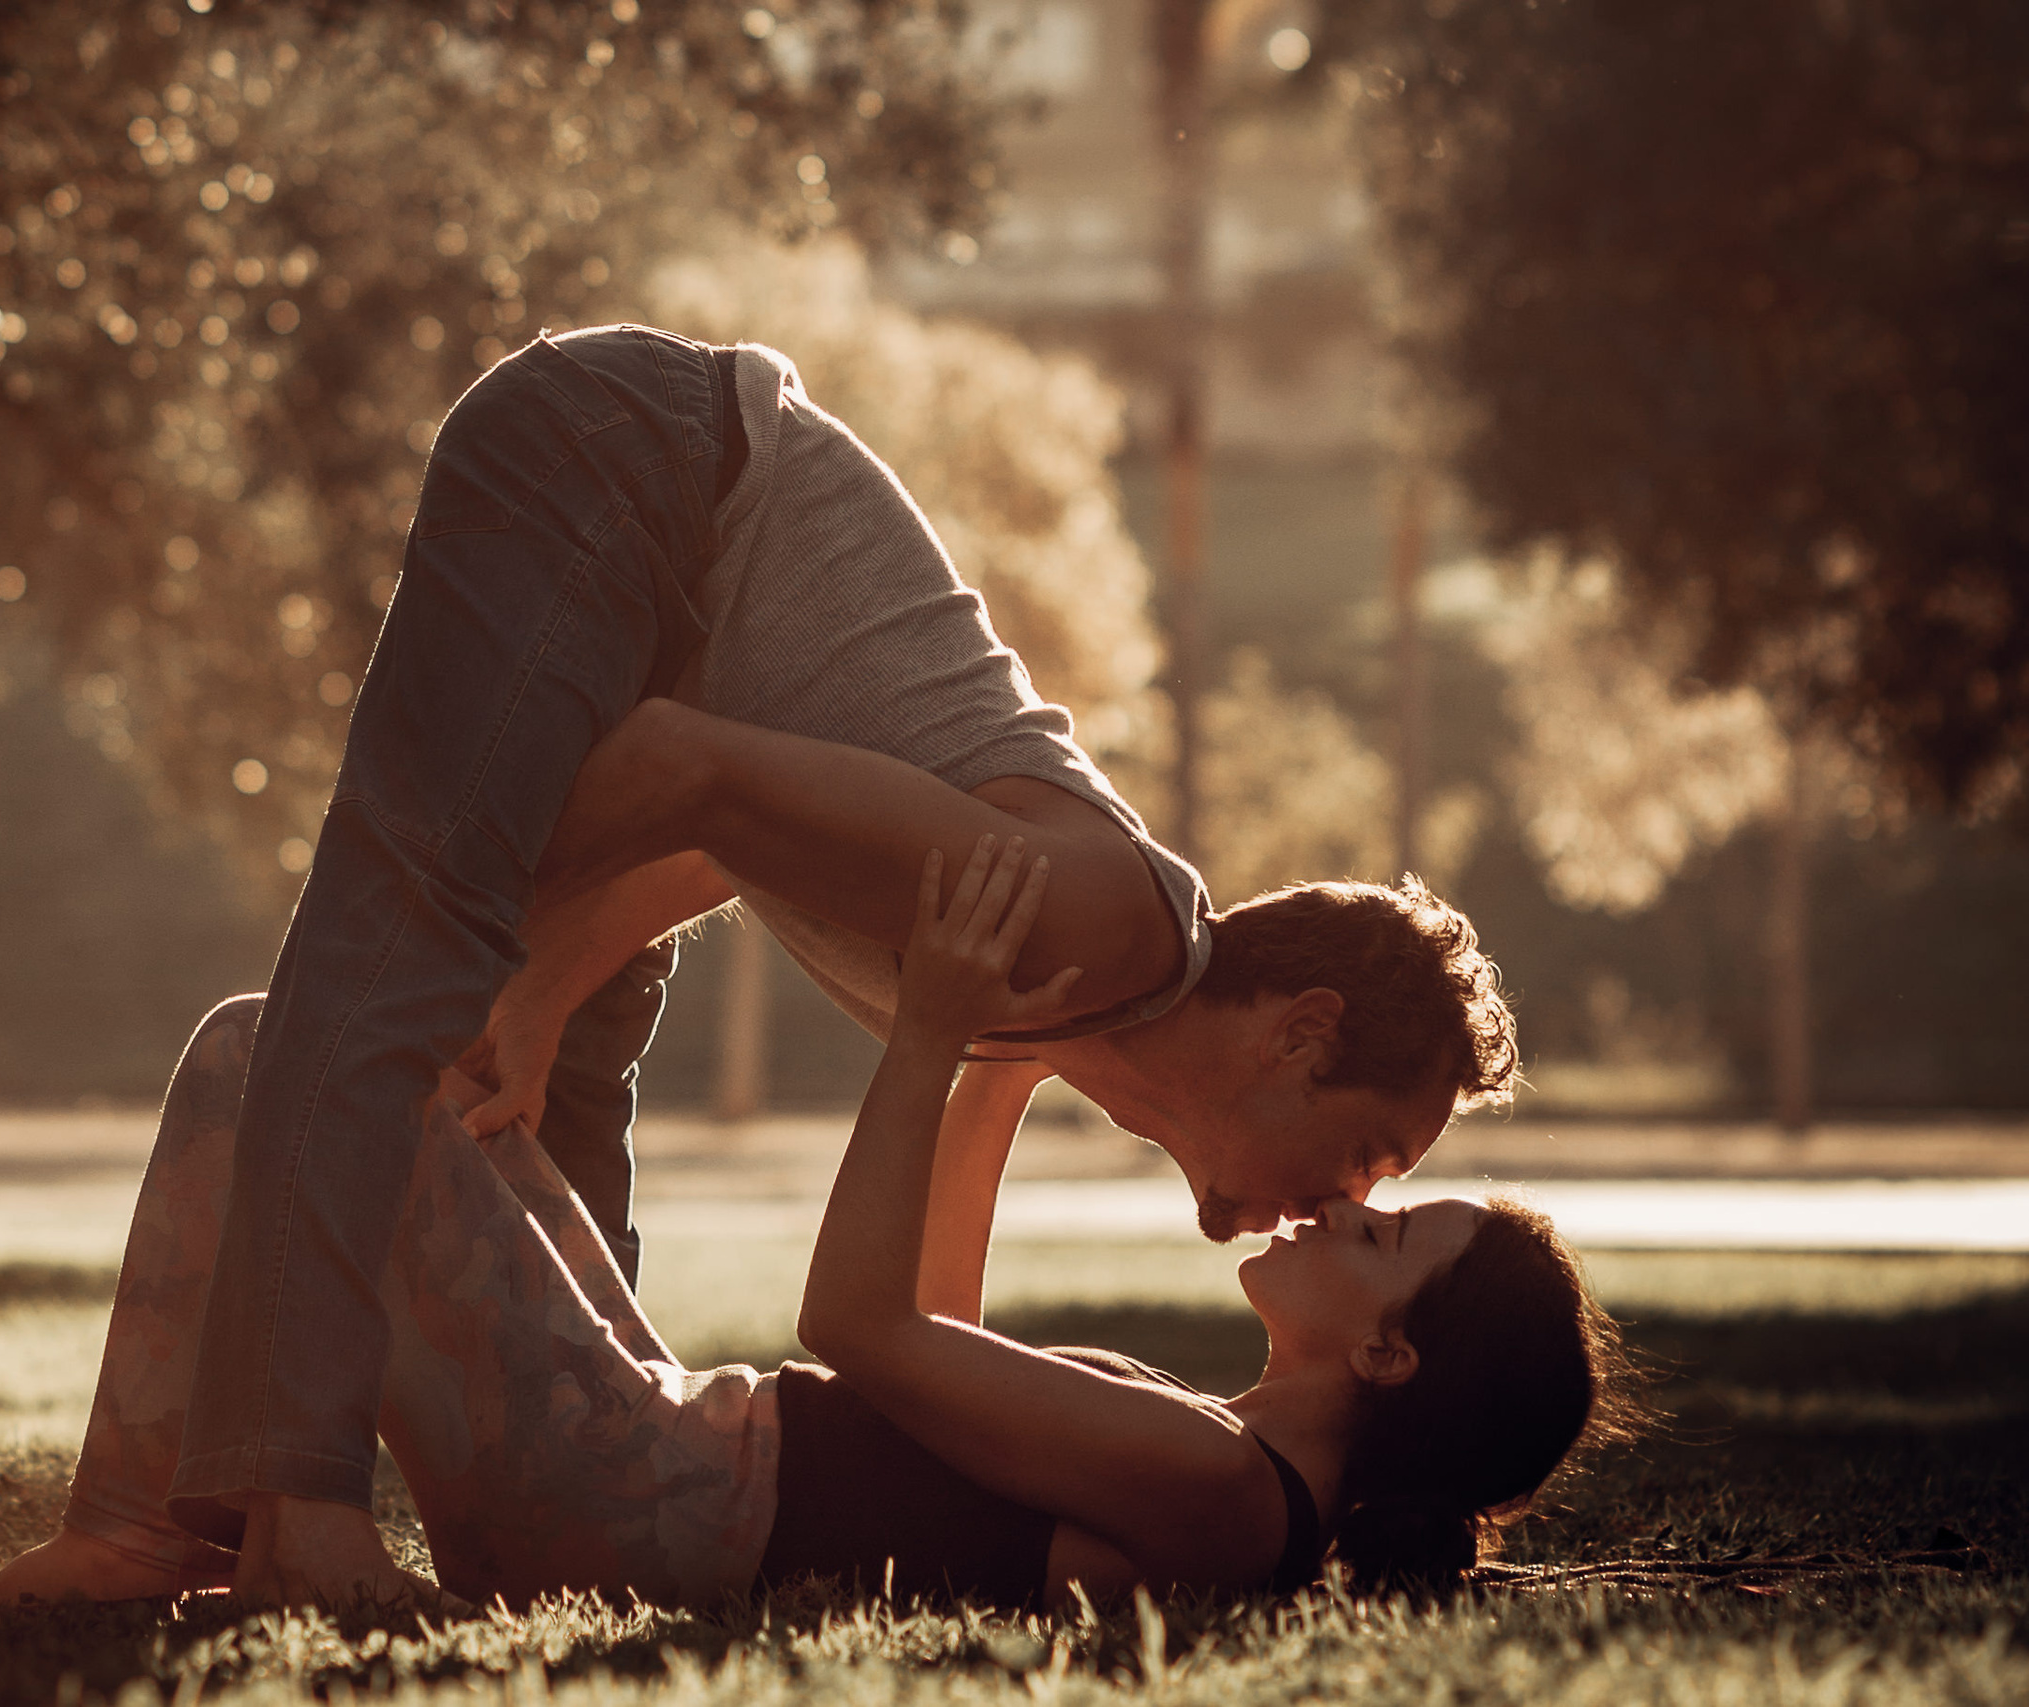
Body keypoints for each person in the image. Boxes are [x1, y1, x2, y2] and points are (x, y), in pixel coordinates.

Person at [168, 324, 1517, 1607]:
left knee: (535, 1079)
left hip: (673, 597)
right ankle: (291, 1509)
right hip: (639, 458)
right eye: (1372, 1155)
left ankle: (170, 1527)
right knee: (387, 985)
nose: (1349, 1198)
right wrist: (443, 896)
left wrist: (549, 987)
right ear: (1301, 1035)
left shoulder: (1062, 1006)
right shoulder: (1076, 929)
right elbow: (680, 778)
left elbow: (755, 835)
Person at [0, 839, 1617, 1612]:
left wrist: (929, 1035)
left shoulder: (1229, 1492)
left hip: (630, 1496)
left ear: (1389, 1355)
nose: (1347, 1207)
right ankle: (186, 1528)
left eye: (1386, 1233)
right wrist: (1009, 1063)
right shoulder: (1218, 1455)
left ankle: (145, 1532)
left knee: (276, 1053)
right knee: (390, 1087)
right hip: (651, 1458)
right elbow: (943, 1351)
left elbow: (867, 1333)